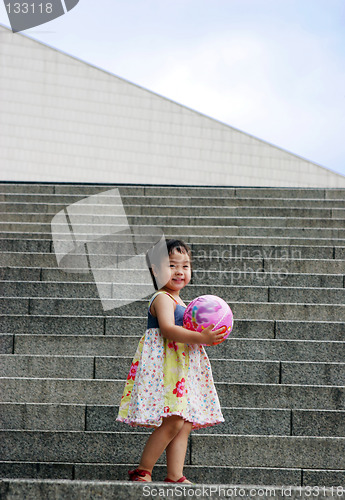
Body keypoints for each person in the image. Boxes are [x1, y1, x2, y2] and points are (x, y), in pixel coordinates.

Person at [116, 239, 226, 483]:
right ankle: (143, 470)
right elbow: (167, 329)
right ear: (155, 271)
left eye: (185, 266)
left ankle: (175, 475)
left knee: (184, 422)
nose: (180, 271)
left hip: (181, 368)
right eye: (172, 265)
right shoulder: (162, 298)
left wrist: (207, 334)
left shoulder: (183, 303)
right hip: (166, 368)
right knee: (174, 420)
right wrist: (201, 337)